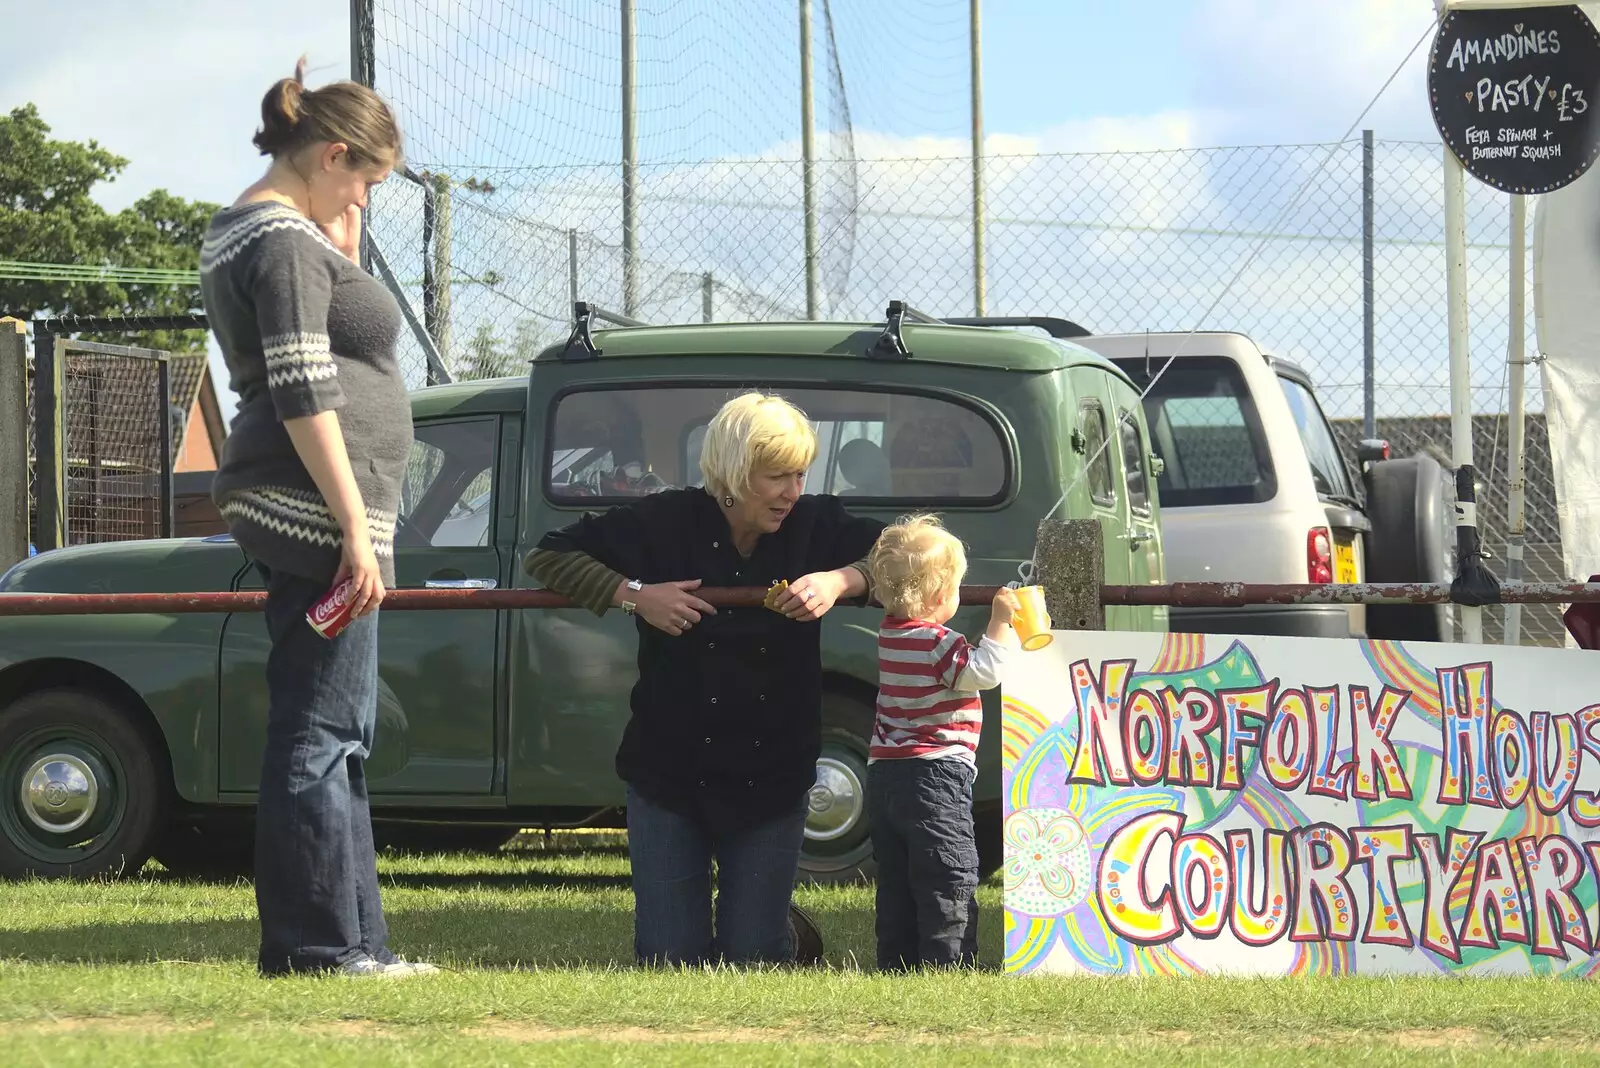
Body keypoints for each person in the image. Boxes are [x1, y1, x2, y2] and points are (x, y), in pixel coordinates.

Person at [199, 58, 434, 979]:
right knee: (321, 732)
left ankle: (356, 943)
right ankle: (319, 947)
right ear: (332, 154)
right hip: (313, 511)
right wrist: (350, 524)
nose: (366, 204)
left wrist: (335, 232)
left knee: (339, 733)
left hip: (307, 506)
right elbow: (301, 387)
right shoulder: (284, 242)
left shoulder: (258, 230)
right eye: (364, 183)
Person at [526, 391, 885, 966]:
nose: (793, 492)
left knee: (752, 959)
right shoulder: (662, 521)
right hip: (670, 773)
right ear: (735, 473)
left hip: (773, 774)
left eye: (799, 475)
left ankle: (773, 929)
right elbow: (547, 557)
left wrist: (844, 581)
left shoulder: (817, 523)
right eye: (777, 477)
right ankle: (755, 919)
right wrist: (635, 597)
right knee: (670, 959)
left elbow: (919, 557)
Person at [864, 514, 1019, 970]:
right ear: (938, 597)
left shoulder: (889, 635)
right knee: (947, 871)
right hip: (936, 775)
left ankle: (895, 961)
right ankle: (946, 963)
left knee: (897, 877)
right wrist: (999, 622)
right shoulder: (938, 642)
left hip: (885, 774)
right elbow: (983, 673)